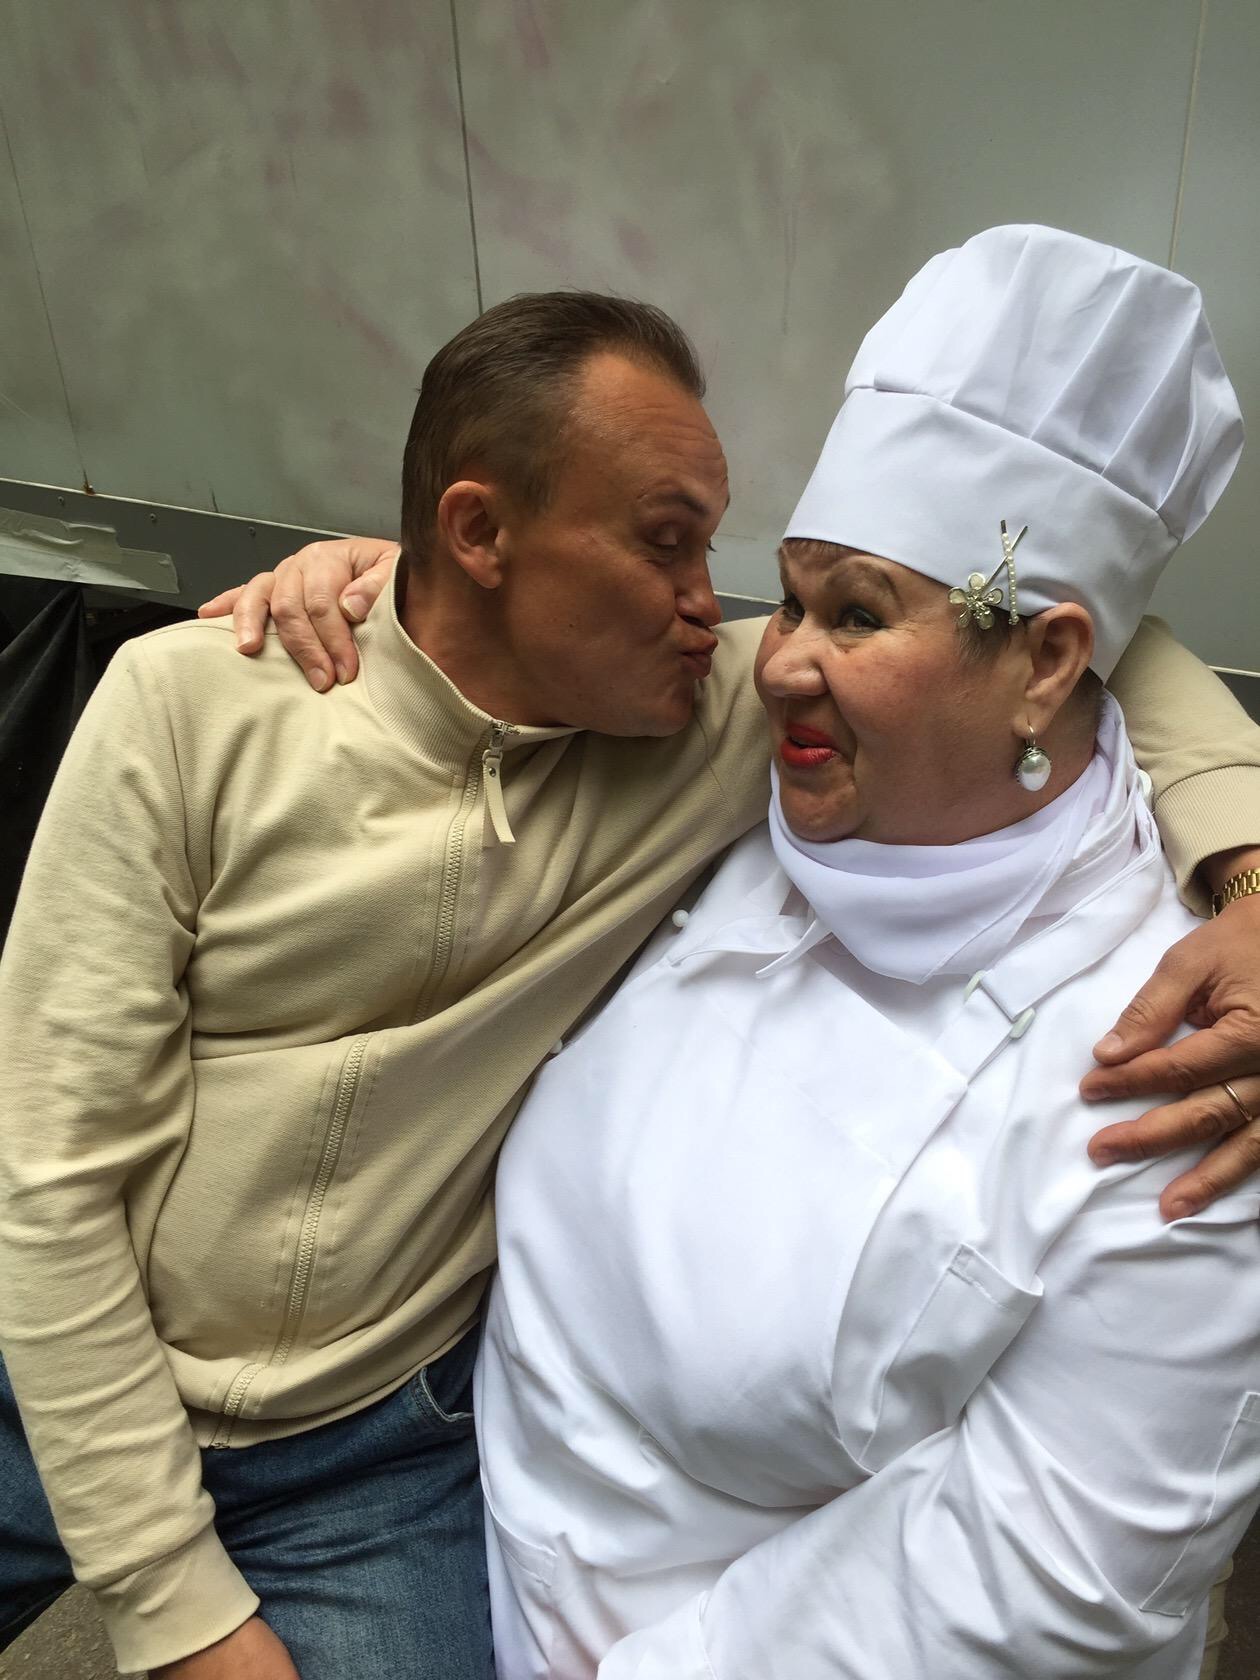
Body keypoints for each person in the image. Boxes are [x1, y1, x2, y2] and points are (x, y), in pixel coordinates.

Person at [0, 286, 1255, 1680]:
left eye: (727, 558)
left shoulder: (705, 726)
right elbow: (49, 1188)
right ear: (478, 534)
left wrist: (1254, 874)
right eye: (674, 548)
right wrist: (173, 1605)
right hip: (67, 1347)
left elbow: (1089, 630)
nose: (735, 626)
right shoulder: (198, 707)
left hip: (374, 1449)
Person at [473, 226, 1260, 1679]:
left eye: (855, 614)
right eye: (789, 596)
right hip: (451, 1525)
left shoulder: (1189, 1065)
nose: (775, 661)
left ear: (1046, 666)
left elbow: (1038, 1584)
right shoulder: (745, 784)